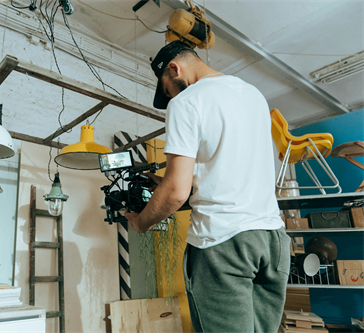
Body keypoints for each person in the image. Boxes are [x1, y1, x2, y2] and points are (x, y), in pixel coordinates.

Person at [125, 41, 291, 333]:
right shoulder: (254, 95)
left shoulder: (186, 103)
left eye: (168, 89)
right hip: (272, 241)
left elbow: (176, 193)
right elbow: (223, 173)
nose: (172, 96)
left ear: (174, 69)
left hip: (224, 244)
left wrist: (141, 222)